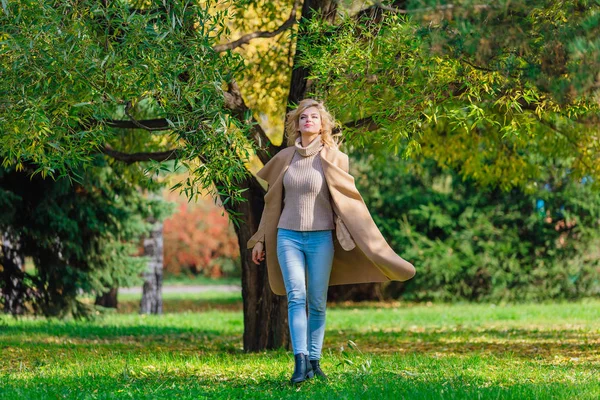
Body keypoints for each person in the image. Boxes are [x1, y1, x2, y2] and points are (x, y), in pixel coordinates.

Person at [248, 99, 416, 385]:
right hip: (288, 237)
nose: (308, 121)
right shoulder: (284, 158)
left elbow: (347, 201)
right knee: (296, 297)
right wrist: (260, 240)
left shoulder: (334, 157)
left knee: (316, 302)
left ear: (322, 124)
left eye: (314, 117)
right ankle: (299, 362)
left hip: (320, 238)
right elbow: (271, 203)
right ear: (296, 124)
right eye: (303, 117)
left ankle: (315, 361)